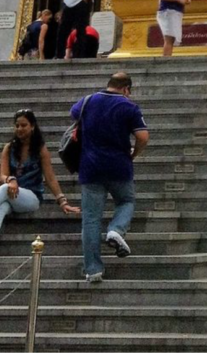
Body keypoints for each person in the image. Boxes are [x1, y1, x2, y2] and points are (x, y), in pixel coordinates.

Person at [0, 109, 78, 260]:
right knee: (0, 207)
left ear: (32, 126)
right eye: (17, 125)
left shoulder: (40, 149)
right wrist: (11, 180)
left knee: (4, 189)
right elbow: (3, 175)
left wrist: (62, 201)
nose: (19, 129)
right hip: (11, 193)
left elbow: (50, 178)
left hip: (31, 197)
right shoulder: (9, 148)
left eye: (23, 125)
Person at [71, 71, 149, 282]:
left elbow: (74, 114)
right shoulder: (128, 106)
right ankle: (116, 229)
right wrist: (135, 152)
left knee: (91, 219)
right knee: (126, 201)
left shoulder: (87, 101)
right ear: (126, 89)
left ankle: (93, 269)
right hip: (119, 166)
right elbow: (143, 136)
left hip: (90, 167)